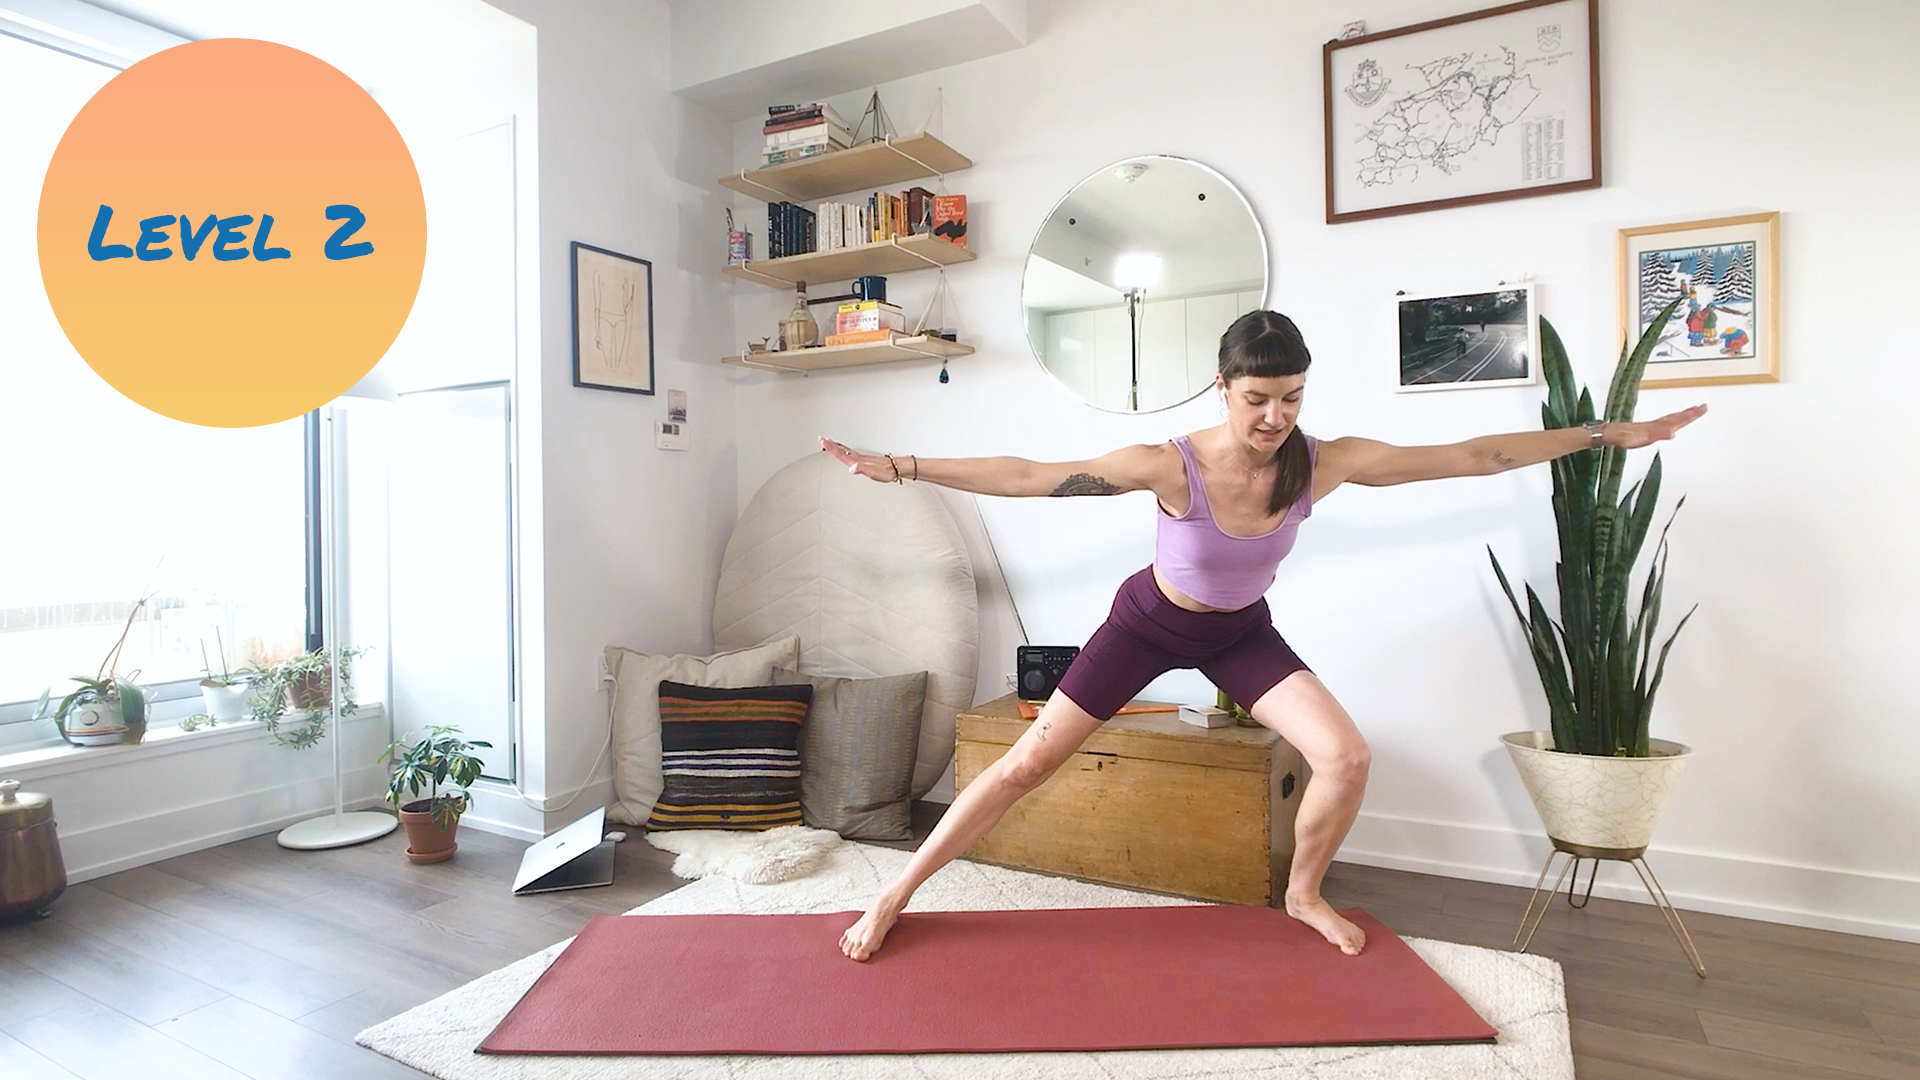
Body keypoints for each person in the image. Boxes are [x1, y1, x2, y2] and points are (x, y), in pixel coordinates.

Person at [818, 310, 1706, 962]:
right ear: (1222, 388)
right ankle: (898, 891)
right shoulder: (1170, 464)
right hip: (1146, 625)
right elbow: (1029, 474)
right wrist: (901, 465)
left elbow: (1472, 455)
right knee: (1024, 765)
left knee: (1346, 757)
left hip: (1241, 633)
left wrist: (1599, 434)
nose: (1275, 418)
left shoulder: (1323, 461)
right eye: (1257, 399)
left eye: (1290, 398)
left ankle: (1304, 893)